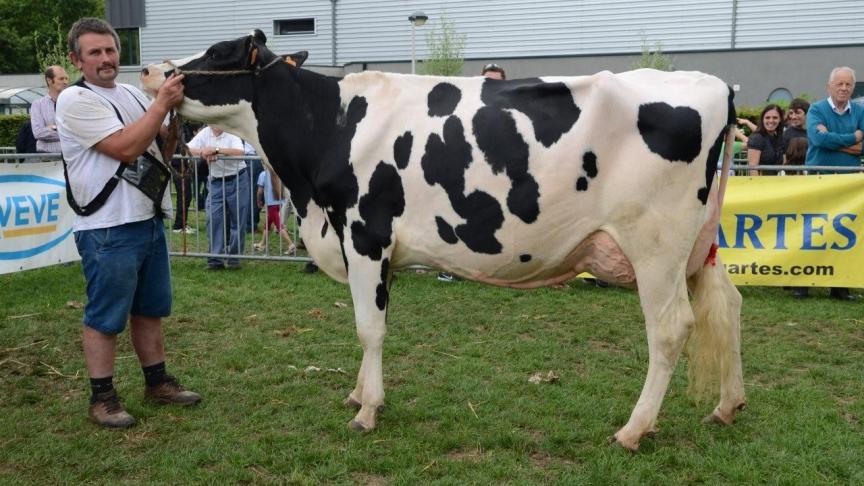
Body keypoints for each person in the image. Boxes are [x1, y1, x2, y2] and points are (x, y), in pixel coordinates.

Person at [55, 17, 200, 429]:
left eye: (110, 50)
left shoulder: (133, 95)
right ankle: (102, 397)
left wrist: (172, 120)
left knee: (150, 309)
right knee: (105, 315)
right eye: (95, 52)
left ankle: (157, 382)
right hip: (106, 225)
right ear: (76, 59)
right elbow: (126, 148)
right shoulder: (74, 100)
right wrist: (160, 105)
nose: (106, 59)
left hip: (146, 217)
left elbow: (159, 150)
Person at [801, 66, 864, 301]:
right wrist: (855, 137)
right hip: (820, 178)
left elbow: (825, 140)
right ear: (829, 86)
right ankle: (803, 284)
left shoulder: (860, 111)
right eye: (840, 84)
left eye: (848, 84)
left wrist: (832, 141)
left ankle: (840, 286)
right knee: (810, 230)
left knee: (844, 232)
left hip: (848, 184)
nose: (844, 88)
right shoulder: (816, 109)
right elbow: (817, 138)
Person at [186, 125, 248, 269]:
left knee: (238, 221)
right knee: (213, 220)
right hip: (215, 182)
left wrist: (217, 150)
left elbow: (240, 152)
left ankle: (235, 259)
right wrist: (203, 152)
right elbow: (187, 148)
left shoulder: (232, 131)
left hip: (237, 179)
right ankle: (215, 260)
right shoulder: (205, 133)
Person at [254, 169, 296, 255]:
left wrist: (258, 201)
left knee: (279, 226)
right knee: (267, 224)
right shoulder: (279, 171)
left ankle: (291, 245)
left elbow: (259, 192)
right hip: (279, 202)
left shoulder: (263, 174)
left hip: (271, 204)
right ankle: (262, 244)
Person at [30, 65, 69, 154]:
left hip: (70, 157)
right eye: (61, 79)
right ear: (49, 81)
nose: (65, 82)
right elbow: (38, 133)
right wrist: (65, 132)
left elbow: (78, 131)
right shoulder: (37, 105)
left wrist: (53, 127)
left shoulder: (73, 103)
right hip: (46, 158)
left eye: (66, 78)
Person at [746, 104, 785, 176]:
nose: (771, 121)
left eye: (775, 118)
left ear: (780, 120)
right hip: (761, 184)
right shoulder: (757, 138)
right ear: (762, 119)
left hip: (775, 183)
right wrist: (758, 186)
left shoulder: (779, 138)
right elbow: (753, 168)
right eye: (767, 117)